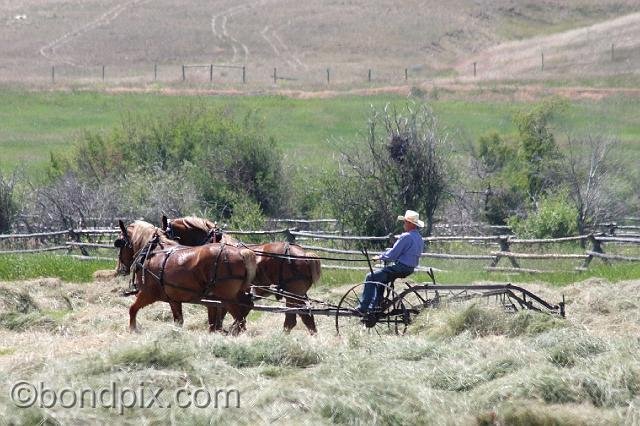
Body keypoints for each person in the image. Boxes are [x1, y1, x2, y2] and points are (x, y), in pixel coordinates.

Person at [357, 209, 425, 313]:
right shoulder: (419, 238)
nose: (404, 224)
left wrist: (379, 257)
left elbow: (393, 255)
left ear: (410, 223)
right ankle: (377, 304)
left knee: (370, 277)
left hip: (400, 268)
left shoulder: (406, 236)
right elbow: (405, 252)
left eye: (405, 222)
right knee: (381, 278)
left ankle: (363, 307)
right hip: (409, 268)